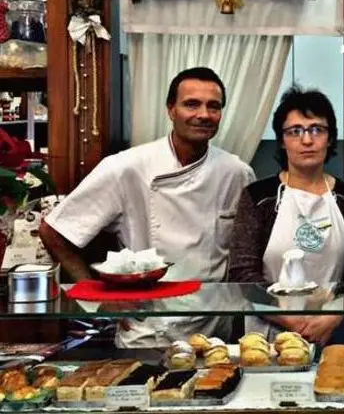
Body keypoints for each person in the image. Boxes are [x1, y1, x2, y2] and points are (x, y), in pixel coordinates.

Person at [39, 67, 255, 347]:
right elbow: (53, 231)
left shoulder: (236, 172)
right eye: (191, 104)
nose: (203, 114)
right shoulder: (126, 167)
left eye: (213, 106)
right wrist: (99, 300)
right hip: (148, 334)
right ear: (170, 110)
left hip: (213, 336)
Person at [228, 86, 344, 346]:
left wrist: (333, 315)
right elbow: (241, 272)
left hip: (336, 331)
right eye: (295, 131)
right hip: (269, 332)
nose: (306, 140)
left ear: (329, 137)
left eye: (317, 129)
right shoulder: (258, 196)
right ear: (282, 140)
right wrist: (289, 318)